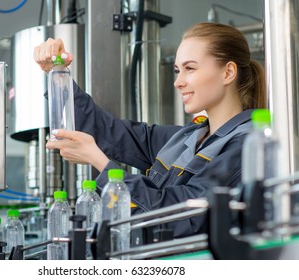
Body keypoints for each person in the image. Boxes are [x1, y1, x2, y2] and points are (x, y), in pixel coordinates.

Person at [33, 22, 266, 238]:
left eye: (190, 69)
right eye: (177, 70)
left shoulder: (248, 145)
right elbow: (106, 131)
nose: (178, 82)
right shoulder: (183, 138)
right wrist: (58, 74)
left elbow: (186, 214)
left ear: (228, 73)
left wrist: (102, 165)